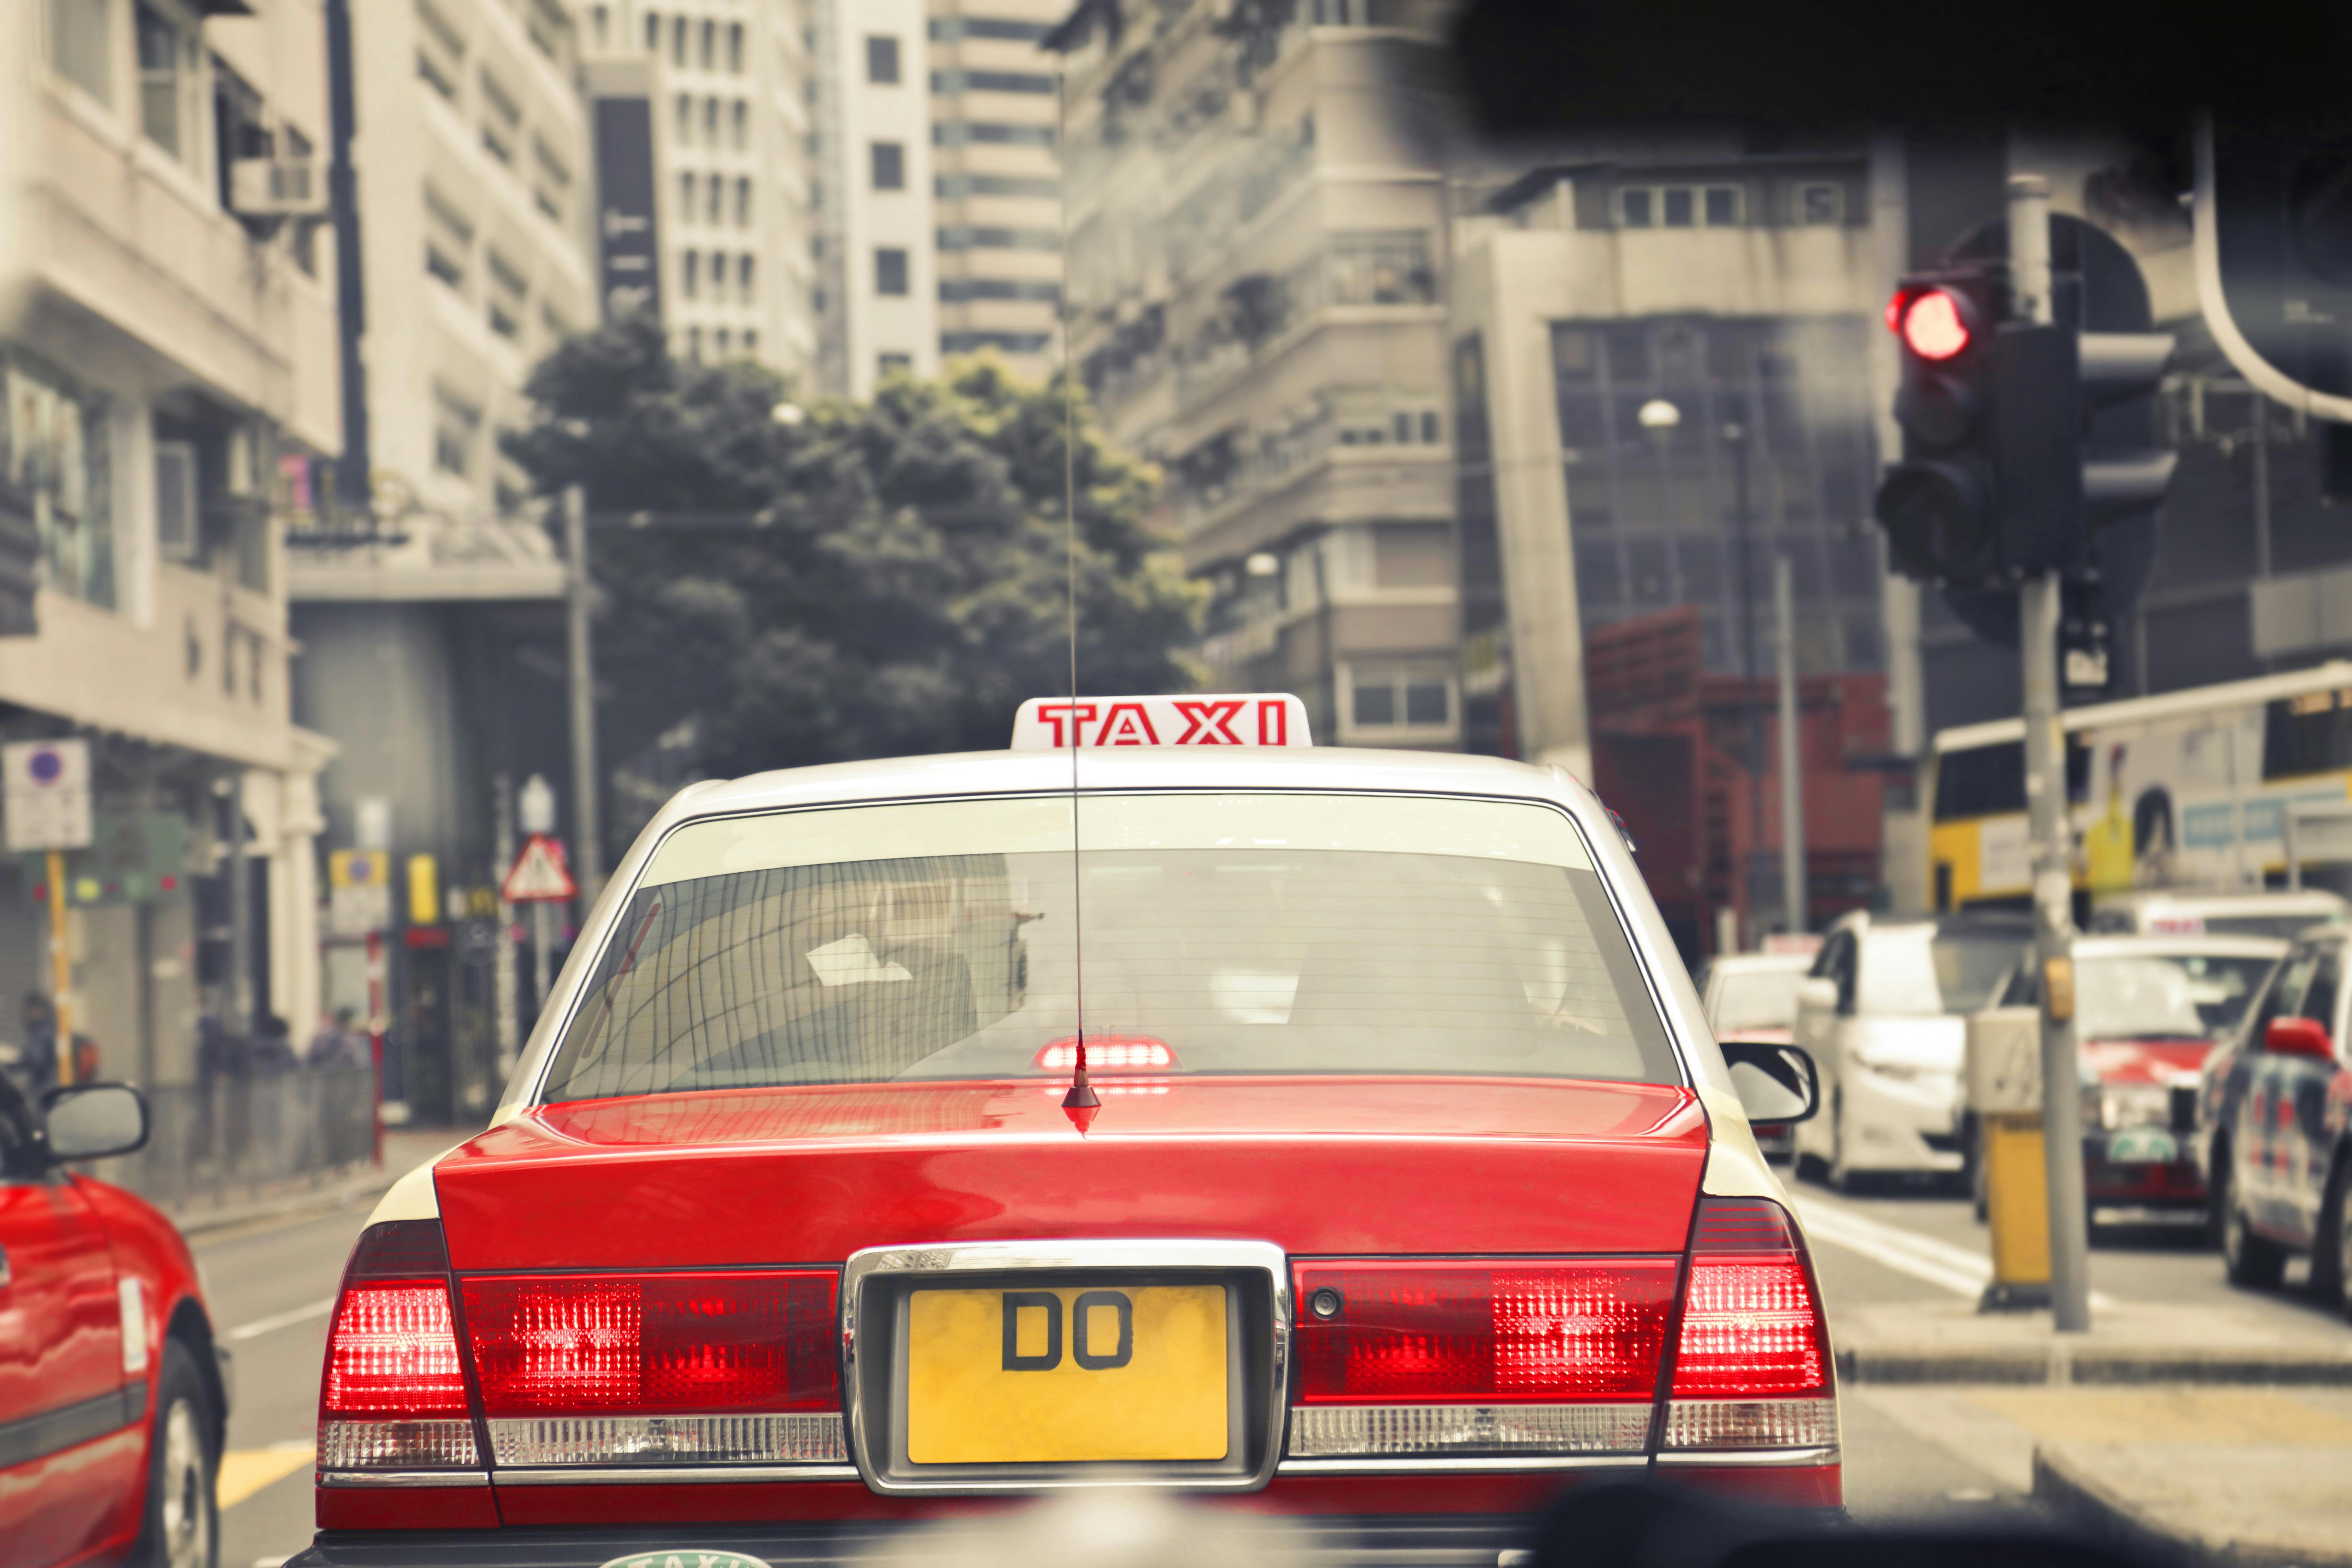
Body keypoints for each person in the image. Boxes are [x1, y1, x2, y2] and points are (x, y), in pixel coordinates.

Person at [306, 1007, 371, 1071]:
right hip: (343, 1076)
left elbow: (310, 1062)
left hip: (333, 1076)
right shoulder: (354, 1039)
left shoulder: (323, 1039)